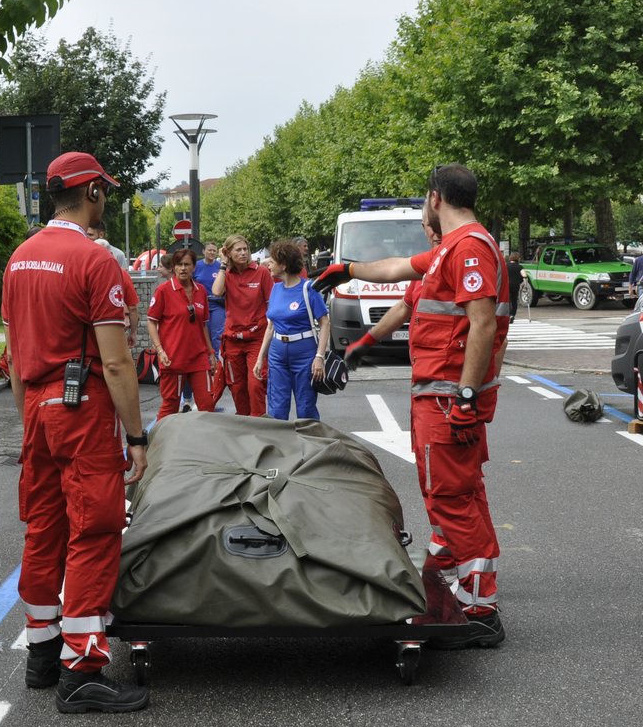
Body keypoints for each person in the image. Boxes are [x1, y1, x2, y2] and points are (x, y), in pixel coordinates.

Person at [314, 164, 510, 645]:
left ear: (435, 198)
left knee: (452, 495)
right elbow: (396, 271)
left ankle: (480, 607)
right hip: (440, 394)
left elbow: (482, 324)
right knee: (456, 491)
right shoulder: (449, 249)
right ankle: (446, 566)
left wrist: (465, 396)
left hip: (448, 397)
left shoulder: (468, 249)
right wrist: (348, 270)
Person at [1, 149, 150, 714]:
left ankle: (41, 652)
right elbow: (115, 364)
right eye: (104, 191)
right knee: (96, 526)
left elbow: (14, 357)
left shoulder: (20, 258)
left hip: (37, 404)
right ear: (91, 193)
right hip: (80, 404)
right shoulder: (95, 260)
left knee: (45, 527)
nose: (104, 200)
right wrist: (135, 437)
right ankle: (83, 667)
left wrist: (28, 424)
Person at [253, 238, 329, 421]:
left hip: (304, 354)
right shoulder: (276, 289)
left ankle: (310, 445)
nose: (268, 265)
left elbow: (325, 323)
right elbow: (270, 326)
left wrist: (319, 357)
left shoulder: (308, 289)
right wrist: (260, 358)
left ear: (284, 265)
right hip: (278, 354)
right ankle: (281, 447)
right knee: (277, 408)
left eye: (272, 261)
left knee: (306, 408)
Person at [146, 246, 216, 420]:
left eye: (187, 264)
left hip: (199, 357)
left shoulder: (201, 291)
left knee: (207, 404)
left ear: (194, 267)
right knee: (170, 405)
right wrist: (160, 350)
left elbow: (204, 325)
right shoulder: (163, 290)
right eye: (179, 264)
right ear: (173, 267)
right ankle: (159, 443)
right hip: (173, 358)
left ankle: (203, 445)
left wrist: (211, 352)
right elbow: (151, 321)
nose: (183, 268)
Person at [208, 234, 273, 416]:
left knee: (255, 385)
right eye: (238, 250)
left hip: (256, 340)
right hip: (233, 340)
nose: (243, 253)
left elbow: (271, 306)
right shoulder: (226, 274)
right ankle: (244, 424)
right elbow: (216, 291)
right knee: (237, 387)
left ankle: (259, 425)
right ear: (229, 253)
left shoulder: (261, 272)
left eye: (245, 249)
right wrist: (223, 264)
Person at [195, 241, 227, 358]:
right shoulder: (196, 266)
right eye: (209, 250)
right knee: (204, 334)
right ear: (204, 251)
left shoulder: (220, 266)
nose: (212, 252)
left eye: (214, 250)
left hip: (218, 304)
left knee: (217, 334)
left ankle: (219, 362)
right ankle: (205, 360)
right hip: (202, 304)